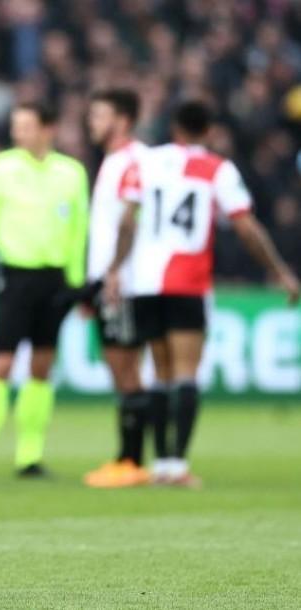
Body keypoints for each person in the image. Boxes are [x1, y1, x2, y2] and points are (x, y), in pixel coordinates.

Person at [105, 100, 300, 487]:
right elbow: (246, 228)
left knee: (158, 374)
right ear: (209, 131)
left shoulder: (145, 163)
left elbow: (127, 220)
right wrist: (279, 272)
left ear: (174, 127)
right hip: (187, 281)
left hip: (145, 282)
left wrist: (114, 270)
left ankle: (160, 463)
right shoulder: (217, 168)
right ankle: (177, 466)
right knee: (186, 373)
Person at [0, 102, 89, 479]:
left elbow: (79, 229)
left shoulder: (71, 173)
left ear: (49, 128)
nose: (18, 133)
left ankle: (29, 457)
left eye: (26, 126)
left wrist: (78, 285)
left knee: (42, 366)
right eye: (16, 126)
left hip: (56, 279)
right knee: (2, 363)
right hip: (13, 277)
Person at [81, 89, 152, 489]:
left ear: (122, 119)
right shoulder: (113, 161)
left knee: (127, 368)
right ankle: (129, 457)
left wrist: (112, 274)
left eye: (99, 114)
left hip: (123, 281)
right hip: (109, 279)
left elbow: (133, 220)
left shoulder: (133, 161)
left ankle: (132, 460)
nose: (93, 122)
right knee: (120, 367)